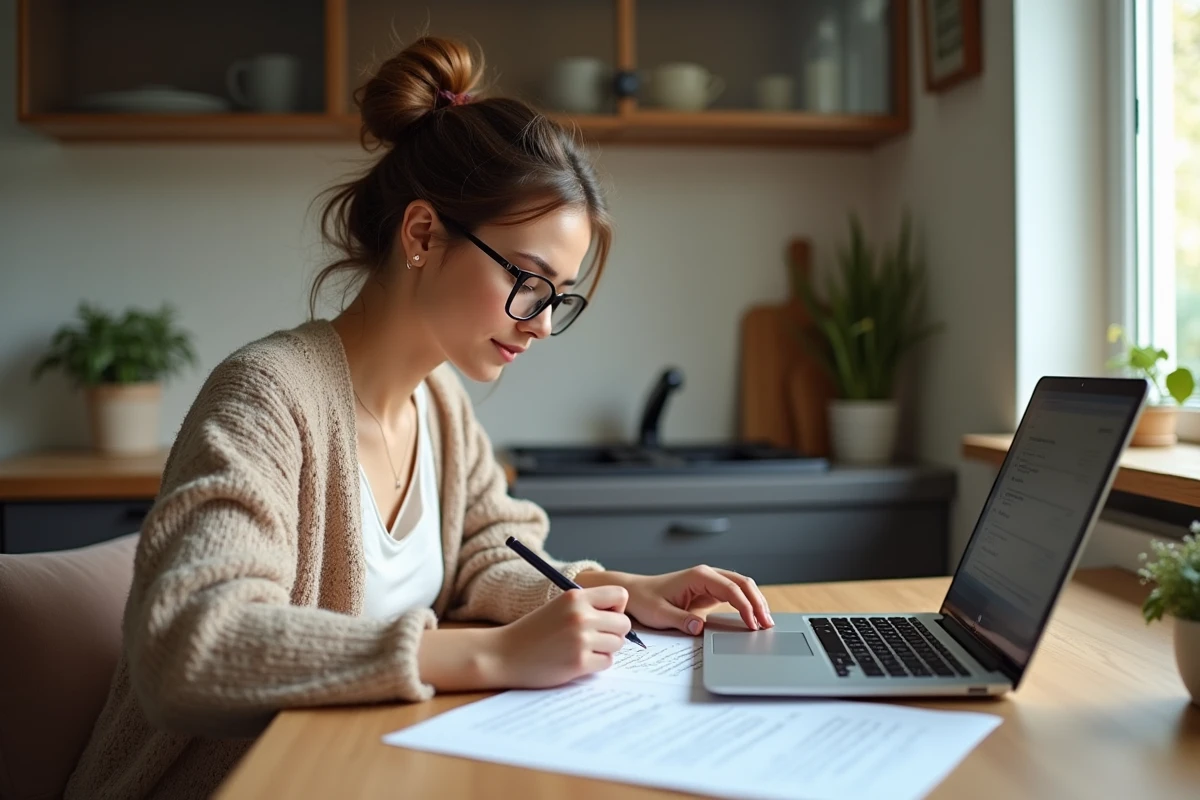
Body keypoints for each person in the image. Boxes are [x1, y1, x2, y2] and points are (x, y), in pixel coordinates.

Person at [65, 36, 774, 800]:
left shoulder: (438, 404)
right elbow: (189, 648)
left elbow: (486, 557)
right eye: (528, 281)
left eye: (558, 298)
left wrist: (621, 589)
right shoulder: (268, 396)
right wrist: (493, 657)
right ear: (423, 234)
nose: (540, 324)